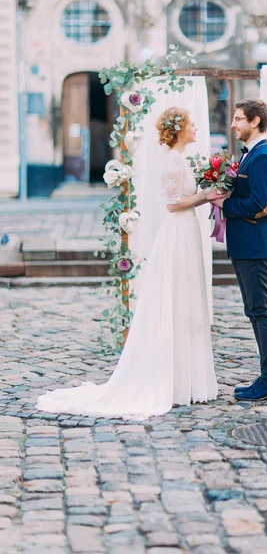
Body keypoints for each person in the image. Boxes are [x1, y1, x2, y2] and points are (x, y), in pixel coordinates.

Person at [36, 107, 218, 420]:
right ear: (179, 130)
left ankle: (189, 379)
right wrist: (207, 195)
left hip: (187, 230)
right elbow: (173, 203)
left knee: (187, 302)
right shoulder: (173, 163)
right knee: (176, 301)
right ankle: (174, 381)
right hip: (178, 230)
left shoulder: (182, 160)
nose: (196, 129)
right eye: (191, 125)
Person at [207, 98, 267, 402]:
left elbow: (261, 206)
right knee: (255, 311)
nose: (233, 124)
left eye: (239, 119)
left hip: (256, 246)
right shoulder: (251, 155)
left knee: (263, 312)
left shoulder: (264, 156)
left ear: (255, 121)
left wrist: (223, 204)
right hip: (246, 246)